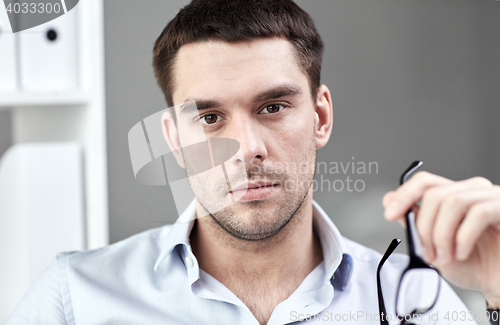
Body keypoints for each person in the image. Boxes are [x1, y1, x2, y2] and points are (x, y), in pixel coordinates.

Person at [7, 0, 500, 324]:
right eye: (209, 117)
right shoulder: (74, 300)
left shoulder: (413, 301)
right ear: (174, 139)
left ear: (321, 117)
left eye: (272, 107)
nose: (246, 148)